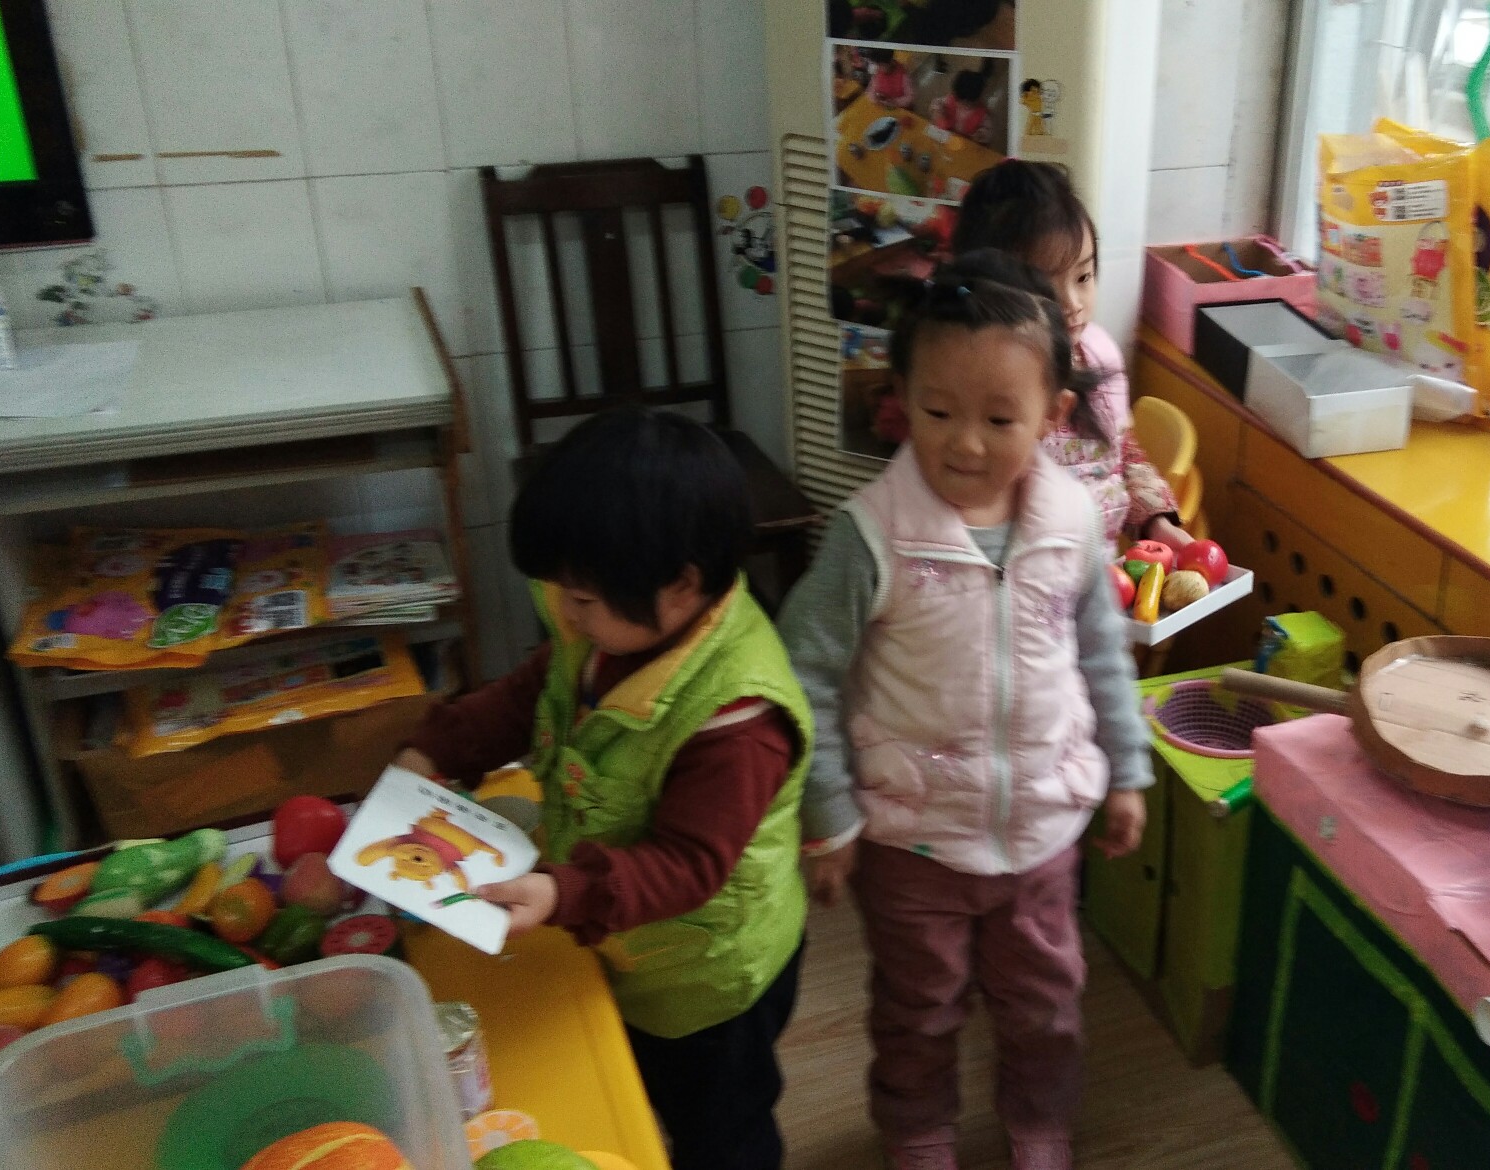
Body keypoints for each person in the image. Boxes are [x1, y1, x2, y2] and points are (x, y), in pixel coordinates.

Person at [780, 253, 1154, 1170]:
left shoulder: (1071, 520)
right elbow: (804, 674)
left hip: (1042, 831)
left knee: (1046, 1005)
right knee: (918, 1009)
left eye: (999, 418)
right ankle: (918, 1130)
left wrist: (1127, 770)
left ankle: (1040, 1121)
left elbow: (1102, 653)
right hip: (912, 844)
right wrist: (830, 817)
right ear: (902, 399)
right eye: (938, 412)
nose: (966, 444)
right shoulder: (871, 534)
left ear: (1052, 416)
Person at [394, 409, 812, 1170]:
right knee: (631, 1080)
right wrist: (438, 748)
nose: (564, 613)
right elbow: (534, 692)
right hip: (621, 938)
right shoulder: (609, 624)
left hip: (705, 982)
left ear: (681, 586)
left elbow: (687, 863)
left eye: (582, 600)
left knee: (720, 1130)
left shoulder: (739, 720)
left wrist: (566, 892)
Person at [953, 160, 1191, 551]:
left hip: (1104, 569)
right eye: (1046, 287)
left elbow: (1122, 451)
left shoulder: (1097, 353)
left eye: (1083, 277)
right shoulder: (978, 384)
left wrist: (1156, 521)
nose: (1073, 303)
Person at [928, 68, 995, 144]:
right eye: (959, 100)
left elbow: (988, 130)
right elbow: (936, 103)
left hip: (966, 141)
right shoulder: (950, 99)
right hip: (947, 135)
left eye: (968, 103)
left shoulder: (983, 114)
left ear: (978, 99)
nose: (963, 105)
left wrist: (981, 133)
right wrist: (937, 110)